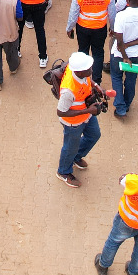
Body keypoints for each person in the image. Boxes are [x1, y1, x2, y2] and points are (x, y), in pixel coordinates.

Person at [55, 52, 103, 188]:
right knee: (70, 147)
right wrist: (88, 111)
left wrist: (96, 86)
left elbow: (88, 80)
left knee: (94, 135)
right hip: (73, 123)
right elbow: (60, 111)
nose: (91, 70)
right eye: (89, 69)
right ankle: (63, 171)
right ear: (80, 71)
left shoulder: (79, 70)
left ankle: (76, 157)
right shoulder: (68, 91)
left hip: (87, 115)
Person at [65, 0, 112, 85]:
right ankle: (96, 81)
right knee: (98, 52)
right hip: (100, 28)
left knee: (83, 51)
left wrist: (69, 28)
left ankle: (83, 79)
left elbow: (73, 14)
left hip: (83, 29)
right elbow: (112, 14)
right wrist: (113, 27)